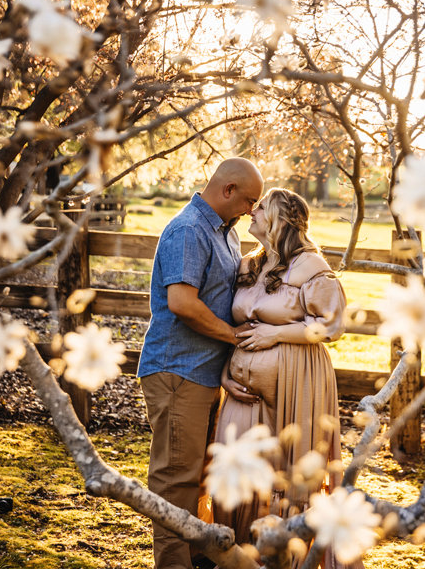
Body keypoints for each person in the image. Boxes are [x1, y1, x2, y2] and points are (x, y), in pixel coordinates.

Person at [212, 188, 362, 569]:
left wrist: (276, 334)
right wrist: (227, 370)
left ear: (280, 219)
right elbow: (238, 325)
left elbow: (331, 326)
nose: (252, 211)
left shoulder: (311, 266)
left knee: (288, 472)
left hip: (298, 383)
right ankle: (240, 555)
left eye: (261, 207)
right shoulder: (250, 264)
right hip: (242, 388)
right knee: (235, 463)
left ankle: (288, 559)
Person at [137, 157, 263, 569]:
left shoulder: (226, 233)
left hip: (205, 374)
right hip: (178, 371)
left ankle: (195, 555)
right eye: (249, 201)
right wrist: (235, 336)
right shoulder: (189, 230)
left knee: (200, 475)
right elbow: (182, 303)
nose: (252, 211)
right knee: (176, 479)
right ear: (228, 190)